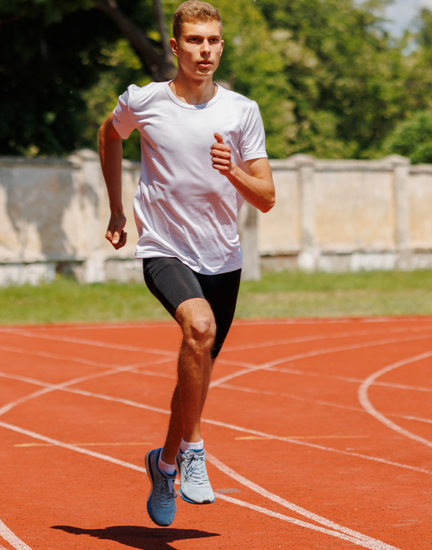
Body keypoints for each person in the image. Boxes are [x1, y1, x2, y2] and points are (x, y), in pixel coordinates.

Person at [96, 0, 275, 527]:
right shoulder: (144, 100)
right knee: (199, 328)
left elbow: (265, 196)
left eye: (214, 41)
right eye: (195, 41)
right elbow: (110, 135)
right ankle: (194, 449)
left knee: (196, 370)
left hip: (222, 255)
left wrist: (233, 172)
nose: (206, 50)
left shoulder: (242, 111)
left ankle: (165, 462)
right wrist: (114, 207)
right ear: (175, 47)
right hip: (164, 246)